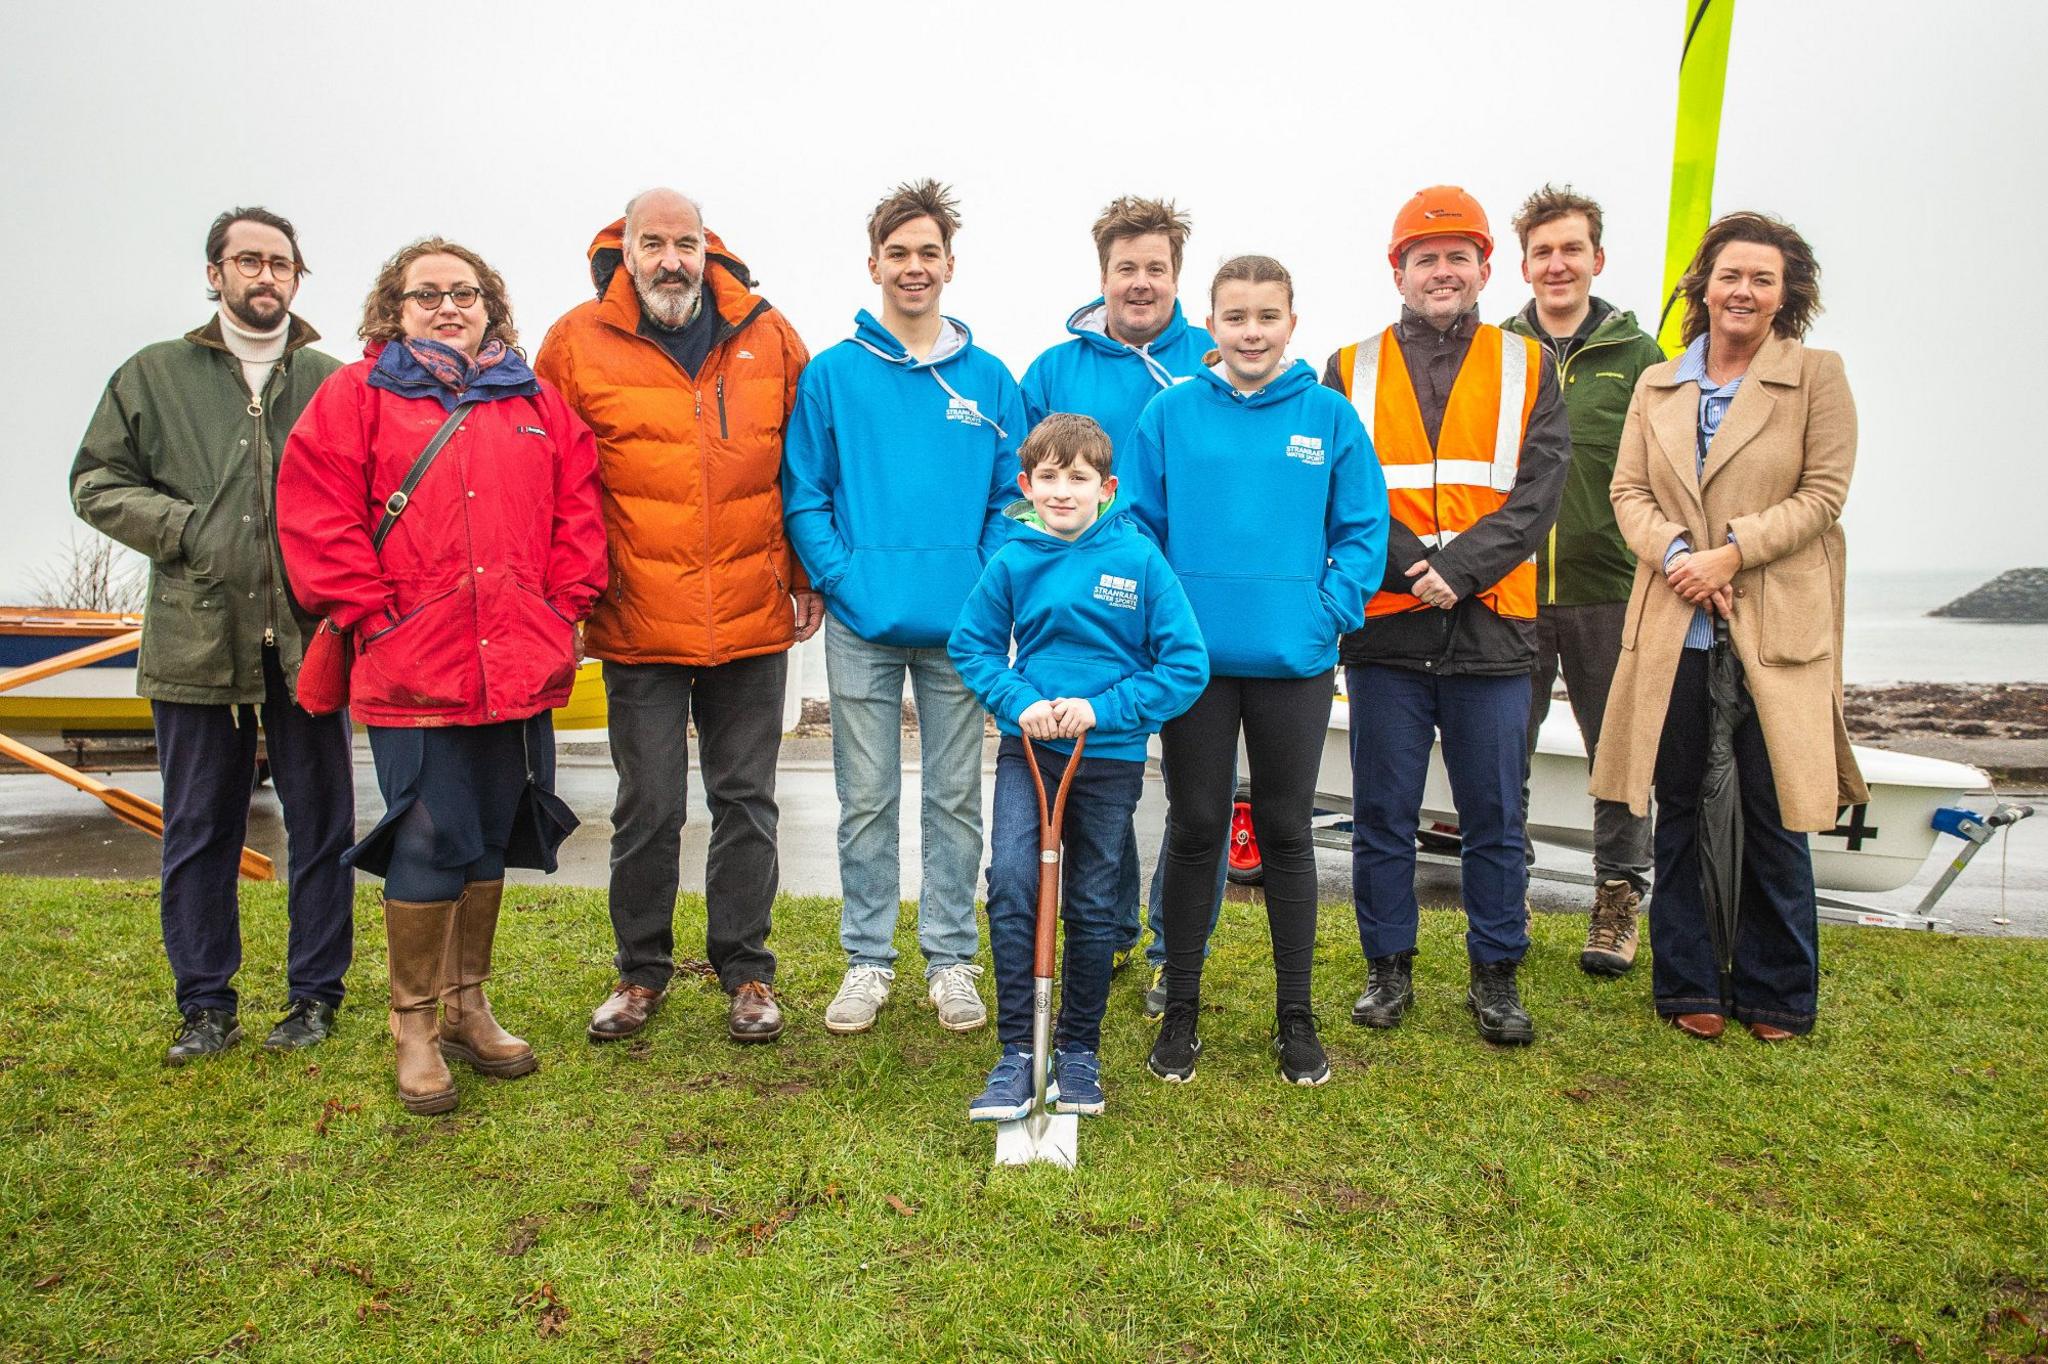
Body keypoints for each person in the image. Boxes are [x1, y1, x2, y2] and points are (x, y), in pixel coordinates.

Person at [277, 238, 605, 1114]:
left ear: (492, 307)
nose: (448, 306)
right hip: (413, 657)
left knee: (492, 830)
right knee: (428, 833)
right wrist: (371, 611)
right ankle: (413, 1024)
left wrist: (562, 605)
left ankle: (468, 1003)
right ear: (395, 309)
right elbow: (316, 510)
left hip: (517, 654)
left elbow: (579, 510)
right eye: (427, 295)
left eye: (465, 293)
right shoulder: (355, 395)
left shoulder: (537, 403)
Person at [70, 206, 356, 1064]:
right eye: (247, 261)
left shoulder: (333, 382)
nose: (264, 276)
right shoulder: (152, 376)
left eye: (280, 263)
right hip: (196, 642)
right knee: (200, 828)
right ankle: (205, 1004)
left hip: (308, 642)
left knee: (324, 826)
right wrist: (189, 529)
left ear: (298, 279)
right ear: (214, 273)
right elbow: (96, 481)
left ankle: (314, 997)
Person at [535, 189, 814, 1047]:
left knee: (747, 803)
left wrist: (803, 577)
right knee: (647, 805)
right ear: (623, 249)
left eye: (684, 243)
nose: (670, 260)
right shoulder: (575, 342)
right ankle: (639, 973)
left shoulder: (768, 336)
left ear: (709, 249)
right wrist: (567, 595)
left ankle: (747, 972)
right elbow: (548, 476)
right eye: (651, 243)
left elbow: (805, 468)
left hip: (750, 614)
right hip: (637, 618)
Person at [1591, 211, 1863, 1043]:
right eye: (1730, 276)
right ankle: (1686, 985)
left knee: (1776, 812)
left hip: (1772, 623)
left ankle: (1779, 992)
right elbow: (1627, 492)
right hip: (1674, 622)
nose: (1743, 291)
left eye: (1762, 279)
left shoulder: (1817, 376)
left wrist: (1731, 555)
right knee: (1676, 809)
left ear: (1786, 296)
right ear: (1702, 286)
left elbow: (1824, 495)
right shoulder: (1658, 383)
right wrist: (1679, 556)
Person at [1122, 255, 1387, 1086]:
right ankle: (1185, 1014)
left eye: (1267, 316)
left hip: (1293, 663)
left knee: (1285, 833)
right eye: (1235, 317)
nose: (1251, 332)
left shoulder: (1330, 417)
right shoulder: (1169, 414)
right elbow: (1138, 528)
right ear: (1212, 325)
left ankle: (1296, 1019)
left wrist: (1323, 614)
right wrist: (1167, 628)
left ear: (1291, 324)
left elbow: (1361, 533)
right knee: (1196, 828)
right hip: (1195, 666)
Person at [1324, 186, 1570, 1047]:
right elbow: (1341, 490)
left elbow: (1541, 492)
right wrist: (1413, 570)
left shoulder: (1529, 363)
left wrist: (1458, 573)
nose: (1441, 270)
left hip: (1494, 627)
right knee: (1383, 815)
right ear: (1398, 269)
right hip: (1387, 627)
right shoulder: (1347, 366)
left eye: (1457, 256)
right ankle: (1387, 969)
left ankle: (1496, 975)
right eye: (1424, 257)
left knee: (1495, 817)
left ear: (1482, 268)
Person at [781, 180, 1025, 1036]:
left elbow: (1012, 498)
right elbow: (806, 495)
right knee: (868, 796)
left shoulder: (992, 379)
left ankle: (952, 959)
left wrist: (982, 586)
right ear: (874, 264)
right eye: (899, 253)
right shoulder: (833, 374)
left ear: (950, 266)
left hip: (964, 629)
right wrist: (846, 579)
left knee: (955, 798)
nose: (913, 268)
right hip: (863, 624)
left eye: (929, 253)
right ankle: (868, 960)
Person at [950, 413, 1207, 1119]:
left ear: (1107, 486)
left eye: (1080, 478)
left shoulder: (1140, 561)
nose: (1064, 492)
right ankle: (1016, 1053)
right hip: (1028, 755)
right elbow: (971, 648)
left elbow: (1186, 665)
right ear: (1028, 486)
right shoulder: (1013, 560)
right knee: (1010, 884)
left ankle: (1078, 1051)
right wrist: (1020, 701)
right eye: (1050, 478)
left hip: (1107, 757)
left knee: (1093, 901)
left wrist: (1105, 709)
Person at [1018, 195, 1229, 1018]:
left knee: (1196, 797)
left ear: (1178, 274)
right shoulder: (1054, 371)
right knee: (1106, 784)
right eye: (1125, 268)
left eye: (1156, 268)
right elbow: (1021, 490)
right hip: (1093, 618)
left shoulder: (1217, 359)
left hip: (1192, 609)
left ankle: (1179, 952)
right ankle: (1102, 934)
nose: (1141, 283)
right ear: (1102, 273)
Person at [1501, 185, 1666, 976]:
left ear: (1597, 259)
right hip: (1510, 589)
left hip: (1615, 588)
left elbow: (1672, 472)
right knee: (1504, 752)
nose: (1558, 264)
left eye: (1572, 249)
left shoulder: (1642, 359)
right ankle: (1508, 894)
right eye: (1543, 251)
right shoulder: (1496, 351)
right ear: (1524, 265)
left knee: (1620, 756)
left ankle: (1617, 899)